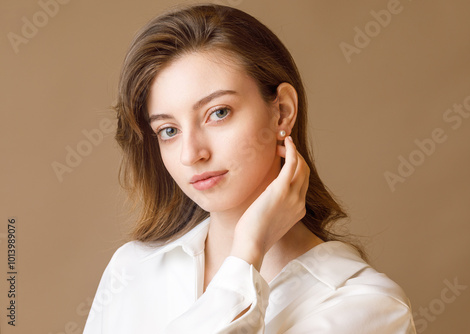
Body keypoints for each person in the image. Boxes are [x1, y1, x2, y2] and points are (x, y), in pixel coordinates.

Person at [83, 4, 416, 333]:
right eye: (169, 130)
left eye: (218, 113)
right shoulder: (130, 271)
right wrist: (246, 253)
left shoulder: (365, 306)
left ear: (282, 112)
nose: (191, 154)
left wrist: (246, 254)